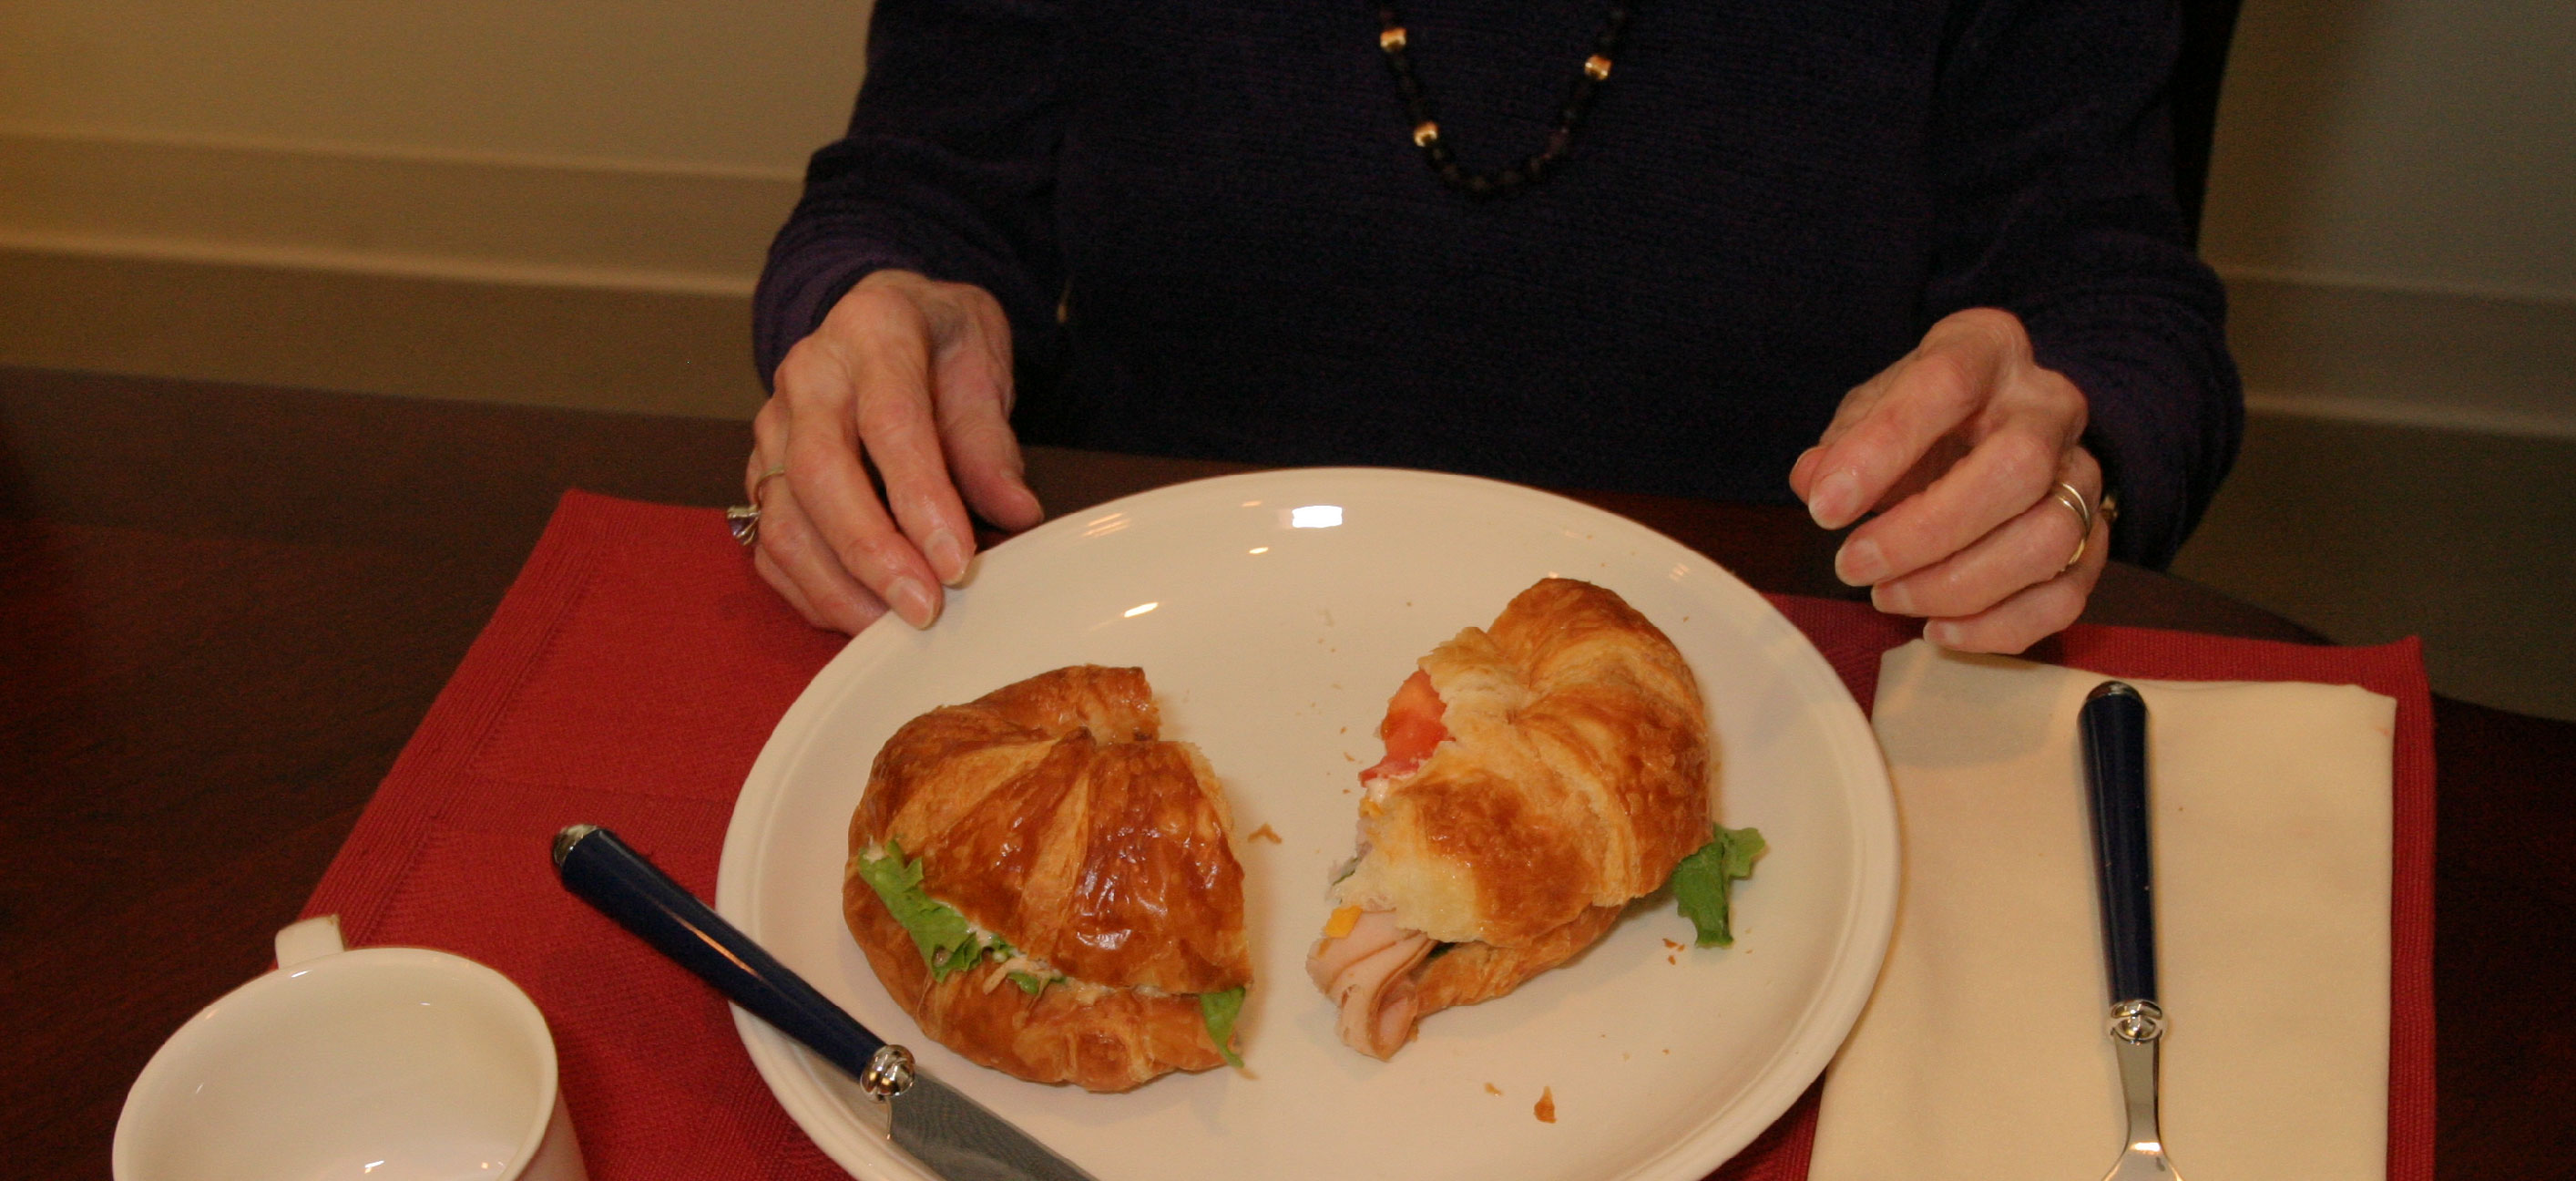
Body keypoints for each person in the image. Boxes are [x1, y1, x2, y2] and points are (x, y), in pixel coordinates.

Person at [741, 0, 2240, 655]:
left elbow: (2112, 297)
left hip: (1792, 671)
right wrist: (882, 306)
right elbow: (920, 190)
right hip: (1158, 634)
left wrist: (2064, 431)